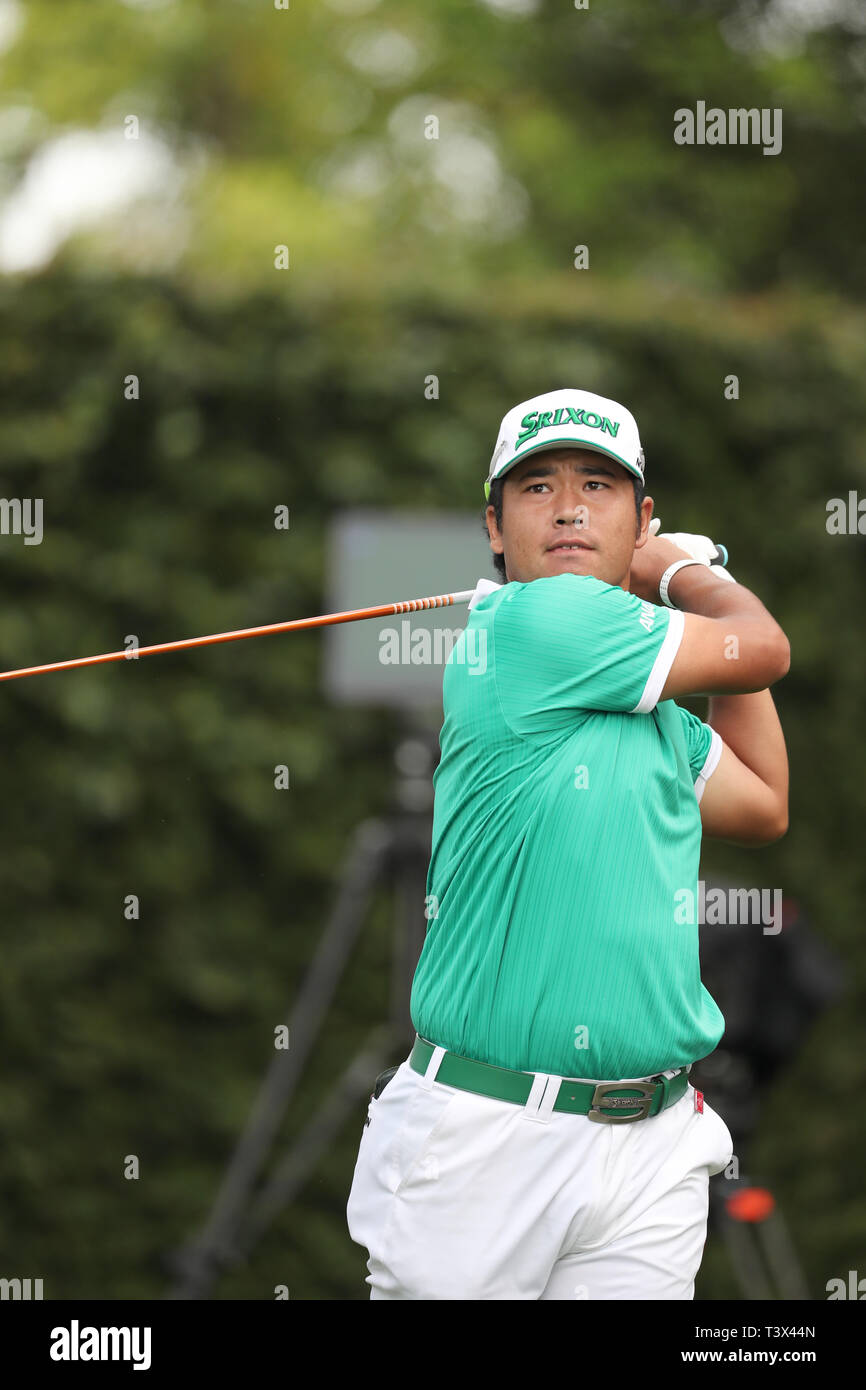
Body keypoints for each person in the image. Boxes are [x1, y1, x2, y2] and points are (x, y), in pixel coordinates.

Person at [346, 386, 790, 1300]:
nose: (572, 506)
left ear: (639, 516)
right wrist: (684, 574)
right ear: (496, 531)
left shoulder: (653, 708)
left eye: (599, 484)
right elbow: (764, 646)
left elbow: (765, 804)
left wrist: (688, 620)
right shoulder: (531, 626)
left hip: (654, 1143)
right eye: (537, 487)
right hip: (482, 1147)